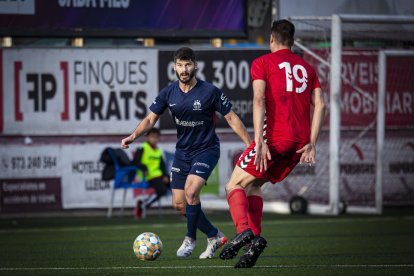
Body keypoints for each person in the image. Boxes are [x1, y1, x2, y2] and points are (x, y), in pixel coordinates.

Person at [121, 47, 251, 259]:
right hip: (182, 152)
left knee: (191, 192)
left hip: (207, 149)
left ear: (195, 65)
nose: (184, 69)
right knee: (180, 204)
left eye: (188, 64)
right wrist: (133, 136)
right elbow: (149, 119)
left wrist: (250, 145)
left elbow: (231, 118)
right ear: (174, 67)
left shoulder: (210, 91)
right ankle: (214, 235)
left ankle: (190, 238)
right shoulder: (168, 93)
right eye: (180, 65)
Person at [219, 19, 326, 268]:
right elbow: (320, 105)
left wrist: (259, 141)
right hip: (298, 145)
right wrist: (311, 142)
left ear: (271, 39)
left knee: (233, 184)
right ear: (292, 40)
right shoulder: (307, 68)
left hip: (275, 138)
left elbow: (258, 100)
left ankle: (244, 231)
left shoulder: (263, 63)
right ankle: (253, 245)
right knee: (254, 184)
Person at [131, 127, 170, 218]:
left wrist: (165, 175)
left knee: (176, 185)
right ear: (147, 137)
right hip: (147, 176)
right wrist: (144, 168)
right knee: (162, 190)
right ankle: (142, 205)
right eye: (152, 136)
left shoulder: (158, 150)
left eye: (156, 137)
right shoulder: (142, 148)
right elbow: (135, 162)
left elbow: (162, 166)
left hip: (158, 176)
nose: (154, 139)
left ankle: (185, 209)